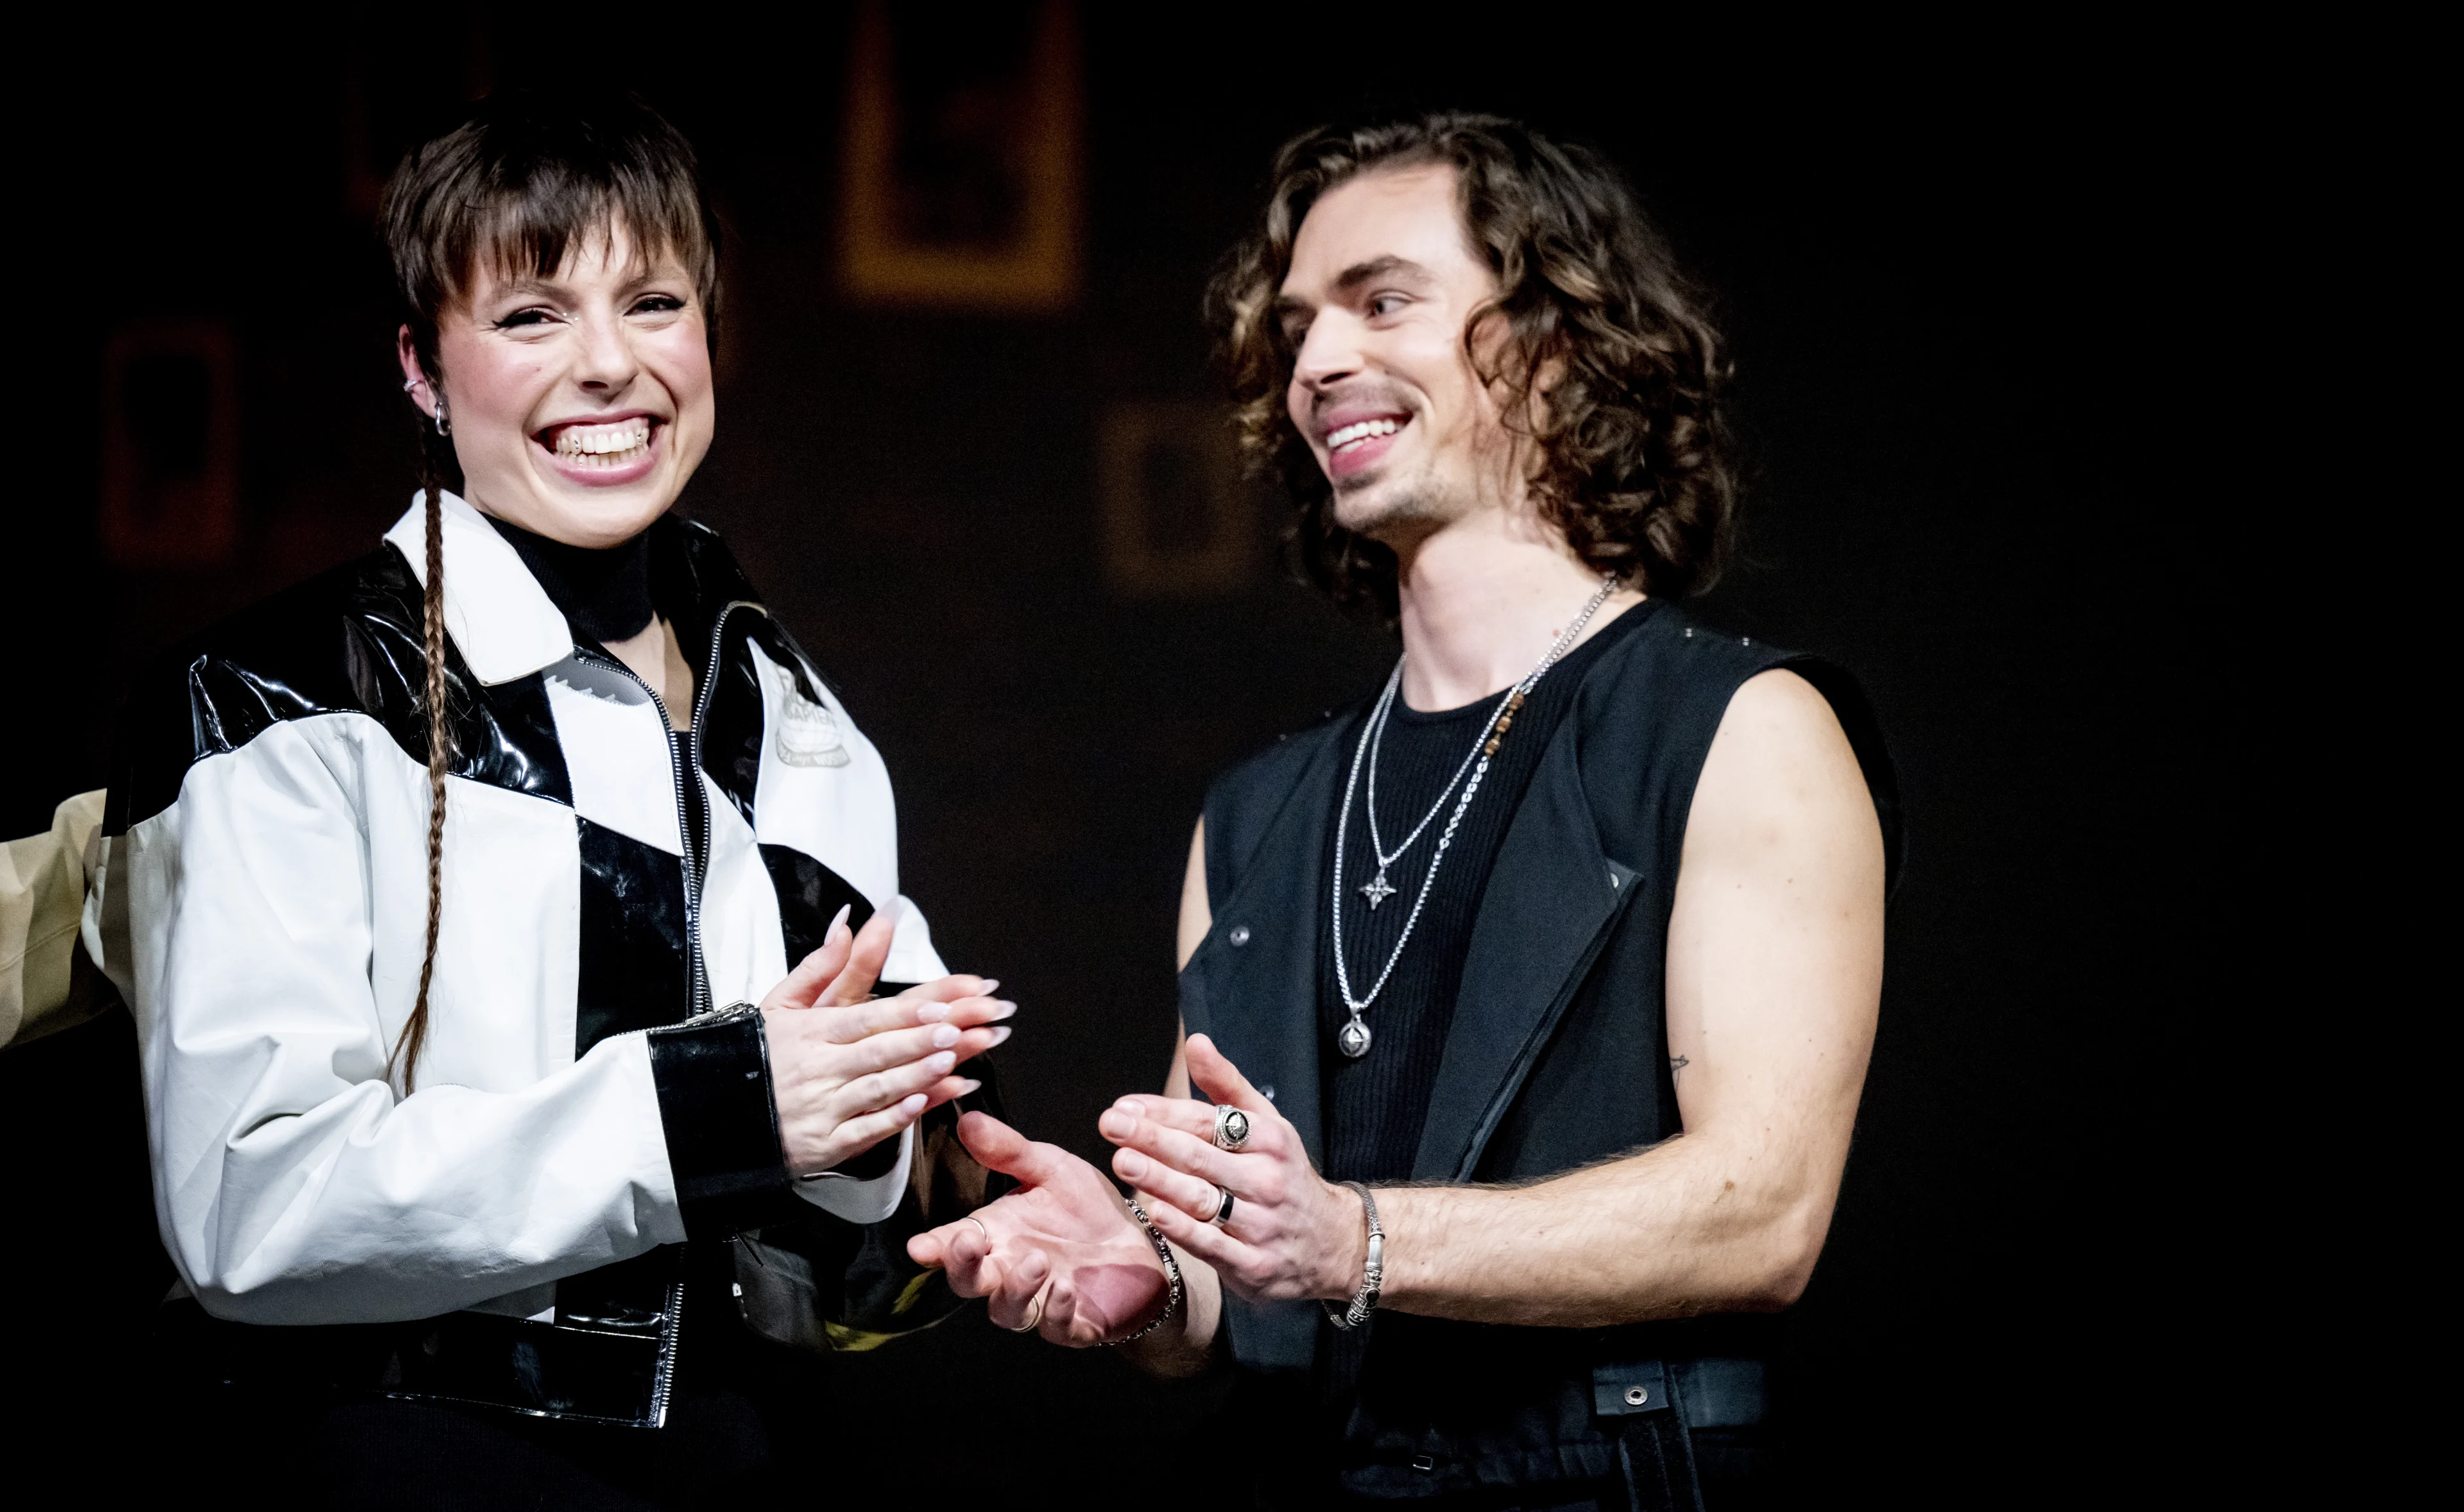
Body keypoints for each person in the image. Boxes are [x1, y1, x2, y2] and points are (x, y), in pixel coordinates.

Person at [910, 113, 1901, 1508]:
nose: (1318, 362)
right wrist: (1148, 1282)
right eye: (1300, 326)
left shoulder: (1739, 730)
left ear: (1557, 339)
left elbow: (1762, 1211)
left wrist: (1356, 1239)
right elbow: (1246, 1279)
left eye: (1383, 301)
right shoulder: (1255, 818)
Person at [85, 91, 1012, 1506]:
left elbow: (839, 1245)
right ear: (421, 366)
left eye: (652, 302)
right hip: (400, 1467)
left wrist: (947, 1170)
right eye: (529, 316)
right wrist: (716, 1104)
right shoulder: (270, 700)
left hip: (751, 1455)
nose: (608, 367)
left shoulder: (800, 725)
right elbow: (249, 1206)